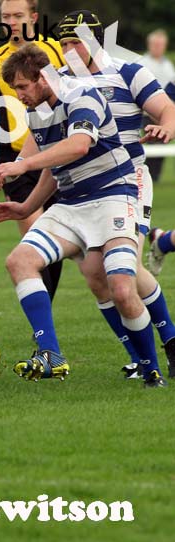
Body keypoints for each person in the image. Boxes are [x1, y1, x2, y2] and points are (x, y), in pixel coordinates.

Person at [0, 44, 167, 388]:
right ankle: (51, 354)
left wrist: (21, 163)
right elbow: (53, 165)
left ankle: (150, 370)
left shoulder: (83, 95)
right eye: (15, 90)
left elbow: (79, 145)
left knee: (121, 286)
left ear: (43, 78)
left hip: (115, 196)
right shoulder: (37, 111)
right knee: (20, 261)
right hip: (71, 204)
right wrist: (26, 208)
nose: (20, 96)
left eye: (23, 87)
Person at [57, 10, 175, 379]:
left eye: (75, 42)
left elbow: (166, 108)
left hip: (129, 180)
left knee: (125, 271)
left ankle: (169, 345)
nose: (68, 51)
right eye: (63, 44)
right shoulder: (58, 81)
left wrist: (166, 127)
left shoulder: (128, 71)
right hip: (82, 187)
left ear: (94, 42)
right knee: (95, 275)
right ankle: (140, 357)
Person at [0, 0, 66, 302]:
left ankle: (42, 311)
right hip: (15, 160)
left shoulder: (56, 51)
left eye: (18, 15)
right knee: (36, 237)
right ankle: (43, 319)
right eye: (6, 16)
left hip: (56, 152)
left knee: (55, 240)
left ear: (33, 17)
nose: (11, 21)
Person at [139, 29, 175, 182]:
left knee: (162, 149)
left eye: (161, 45)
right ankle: (149, 180)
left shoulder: (167, 65)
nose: (158, 47)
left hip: (169, 113)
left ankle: (156, 179)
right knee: (152, 149)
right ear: (150, 45)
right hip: (149, 115)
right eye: (155, 44)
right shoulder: (142, 64)